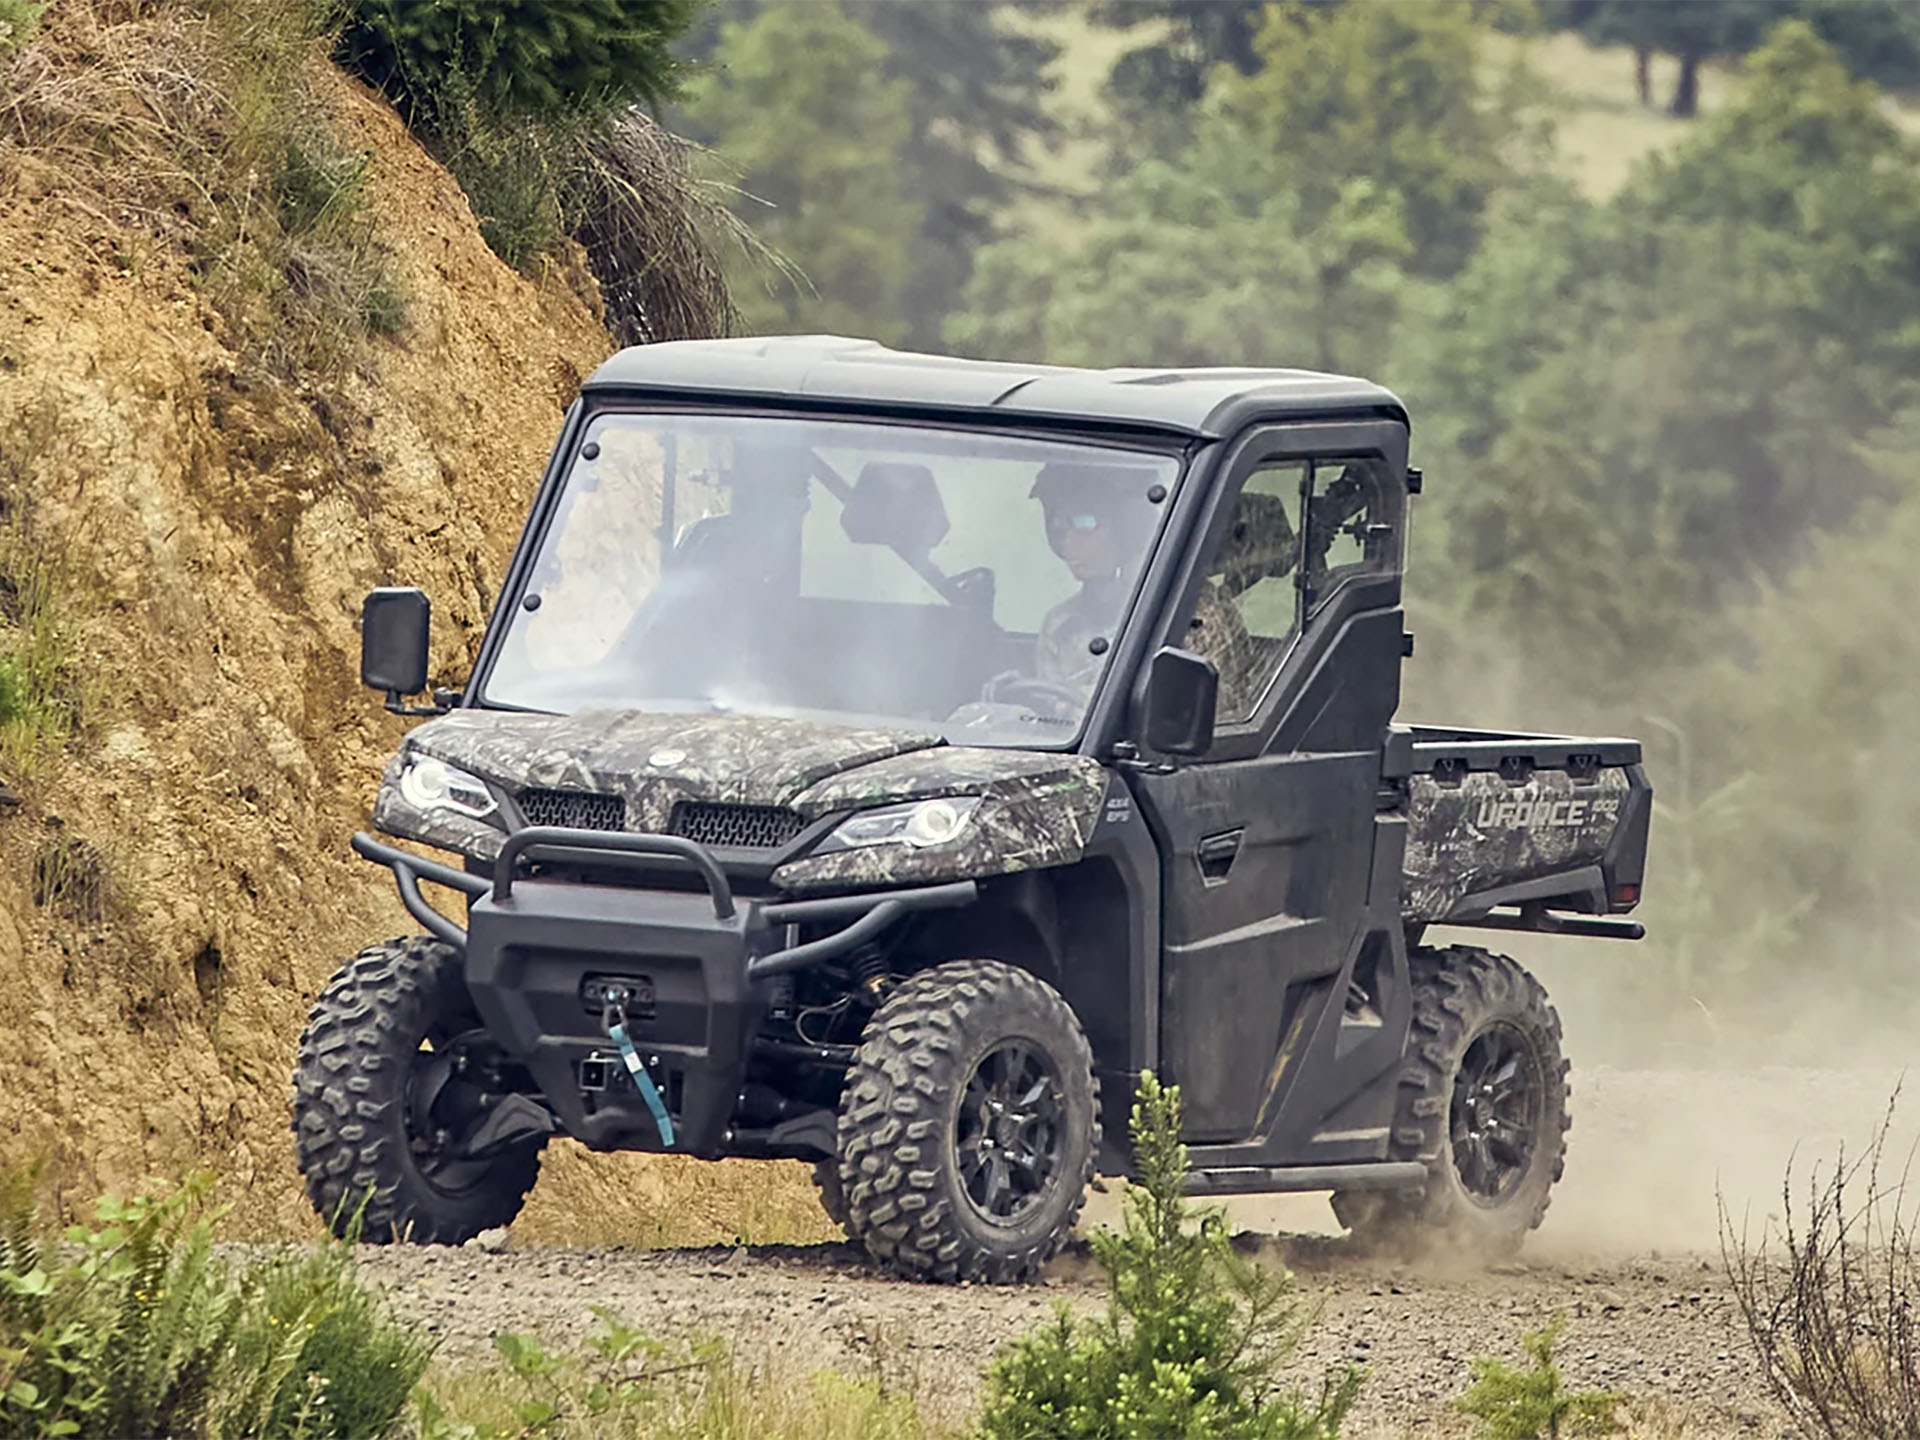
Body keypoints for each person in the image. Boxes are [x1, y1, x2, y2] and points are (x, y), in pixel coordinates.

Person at [1030, 464, 1255, 707]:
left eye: (1086, 524)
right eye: (1058, 529)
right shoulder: (1061, 624)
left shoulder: (1198, 616)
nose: (1068, 545)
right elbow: (1051, 721)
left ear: (1129, 525)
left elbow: (1213, 716)